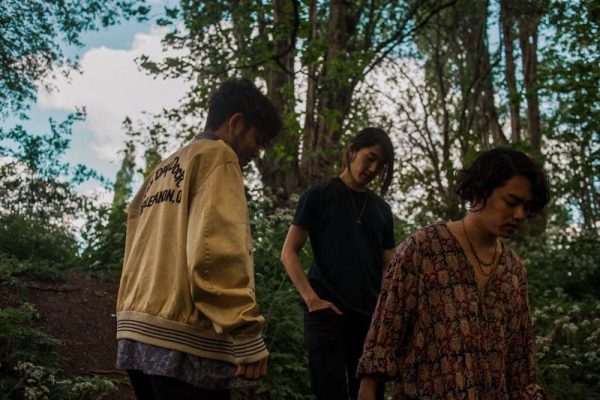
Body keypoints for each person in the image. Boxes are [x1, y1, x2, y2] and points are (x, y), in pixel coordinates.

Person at [115, 79, 282, 399]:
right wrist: (245, 331)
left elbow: (135, 246)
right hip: (184, 338)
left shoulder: (162, 169)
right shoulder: (219, 157)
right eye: (257, 140)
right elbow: (214, 251)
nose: (256, 153)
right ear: (236, 123)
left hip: (136, 333)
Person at [357, 147, 549, 399]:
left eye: (527, 207)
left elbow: (520, 364)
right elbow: (382, 341)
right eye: (512, 202)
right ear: (481, 190)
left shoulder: (513, 271)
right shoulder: (423, 249)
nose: (520, 215)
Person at [280, 127, 396, 400]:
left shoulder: (381, 210)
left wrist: (386, 315)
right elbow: (288, 252)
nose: (373, 169)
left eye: (380, 165)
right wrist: (311, 299)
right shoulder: (318, 195)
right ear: (352, 150)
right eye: (370, 158)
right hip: (326, 315)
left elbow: (392, 269)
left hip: (369, 321)